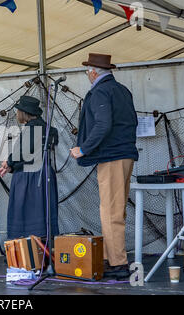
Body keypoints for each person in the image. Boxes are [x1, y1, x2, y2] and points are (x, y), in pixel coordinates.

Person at [70, 53, 138, 278]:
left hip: (112, 157)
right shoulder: (122, 91)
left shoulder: (100, 91)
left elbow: (103, 124)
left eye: (86, 70)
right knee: (115, 210)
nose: (87, 74)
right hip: (125, 154)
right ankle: (110, 257)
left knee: (110, 211)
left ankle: (118, 263)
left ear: (92, 72)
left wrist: (84, 148)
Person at [0, 95, 59, 240]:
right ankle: (45, 251)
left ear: (23, 113)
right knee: (43, 214)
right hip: (45, 174)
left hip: (30, 178)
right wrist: (11, 167)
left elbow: (24, 151)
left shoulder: (32, 128)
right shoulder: (48, 128)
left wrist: (9, 162)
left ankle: (27, 252)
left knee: (25, 215)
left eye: (18, 111)